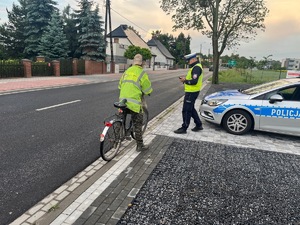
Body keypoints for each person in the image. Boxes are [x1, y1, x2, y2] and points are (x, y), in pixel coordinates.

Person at [118, 54, 153, 151]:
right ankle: (140, 146)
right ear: (141, 63)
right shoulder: (142, 73)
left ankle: (117, 139)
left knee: (121, 117)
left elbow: (120, 85)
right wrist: (149, 92)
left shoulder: (127, 71)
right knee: (138, 123)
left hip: (122, 100)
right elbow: (147, 88)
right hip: (134, 103)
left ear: (133, 62)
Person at [174, 52, 203, 134]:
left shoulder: (196, 68)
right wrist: (185, 79)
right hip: (192, 91)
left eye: (189, 61)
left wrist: (185, 80)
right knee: (191, 109)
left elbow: (194, 81)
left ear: (193, 59)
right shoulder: (196, 67)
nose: (188, 62)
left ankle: (184, 128)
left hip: (191, 92)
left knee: (186, 110)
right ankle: (199, 124)